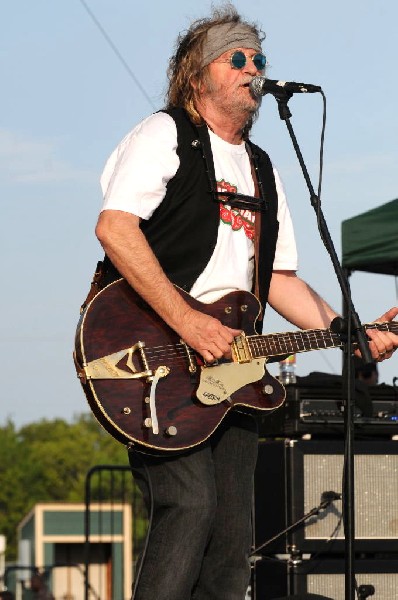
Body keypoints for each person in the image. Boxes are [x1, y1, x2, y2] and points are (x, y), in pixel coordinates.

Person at [93, 5, 398, 599]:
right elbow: (115, 228)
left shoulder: (261, 168)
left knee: (233, 534)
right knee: (190, 505)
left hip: (235, 370)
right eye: (238, 57)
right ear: (196, 72)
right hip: (152, 355)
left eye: (259, 59)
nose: (253, 67)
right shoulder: (165, 134)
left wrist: (349, 331)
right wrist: (188, 322)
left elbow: (279, 279)